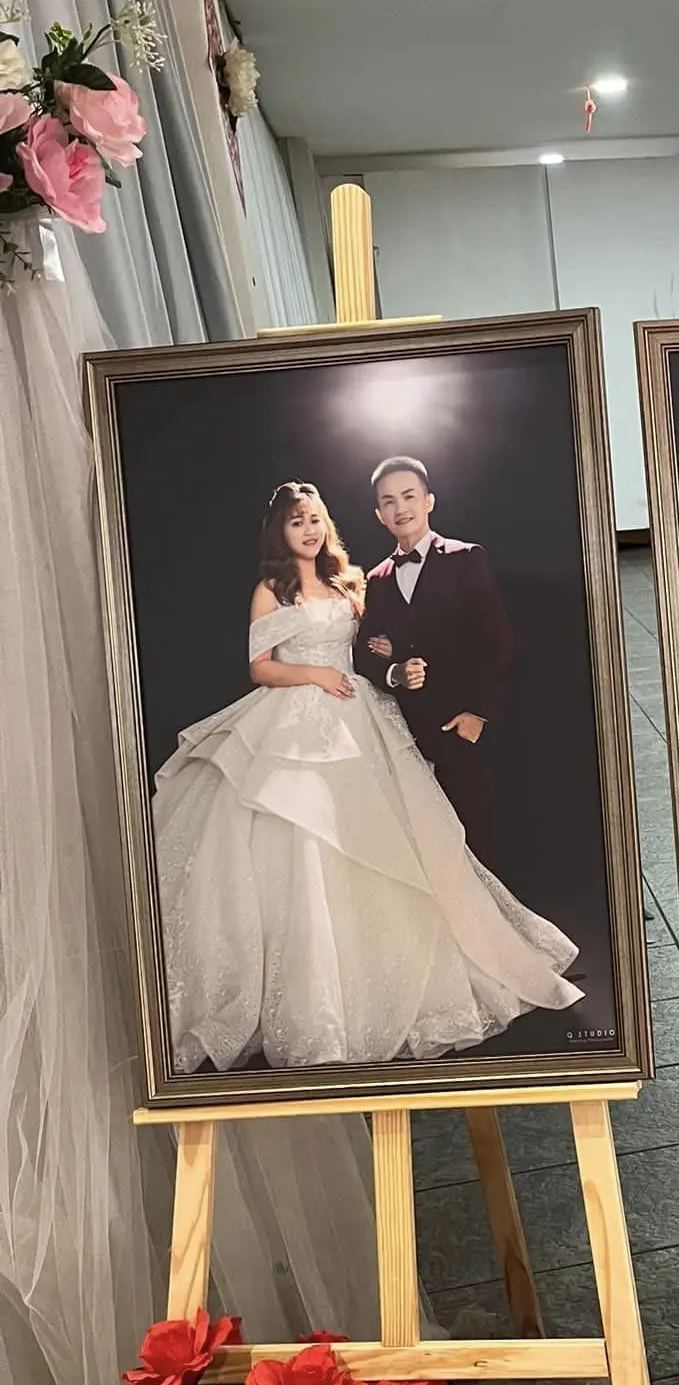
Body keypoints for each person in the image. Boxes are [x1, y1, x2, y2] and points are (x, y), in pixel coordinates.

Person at [151, 481, 581, 1072]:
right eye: (296, 523)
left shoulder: (350, 583)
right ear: (279, 533)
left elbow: (371, 649)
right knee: (307, 842)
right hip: (301, 717)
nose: (308, 530)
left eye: (314, 520)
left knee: (389, 838)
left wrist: (375, 650)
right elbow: (259, 669)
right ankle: (318, 991)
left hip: (362, 716)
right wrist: (316, 676)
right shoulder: (270, 590)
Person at [355, 455, 512, 867]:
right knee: (424, 854)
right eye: (388, 501)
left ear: (429, 501)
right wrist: (395, 672)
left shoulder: (465, 558)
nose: (400, 507)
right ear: (378, 514)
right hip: (406, 737)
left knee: (478, 843)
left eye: (408, 496)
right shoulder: (377, 579)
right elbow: (362, 653)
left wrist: (478, 715)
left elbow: (498, 642)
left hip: (460, 728)